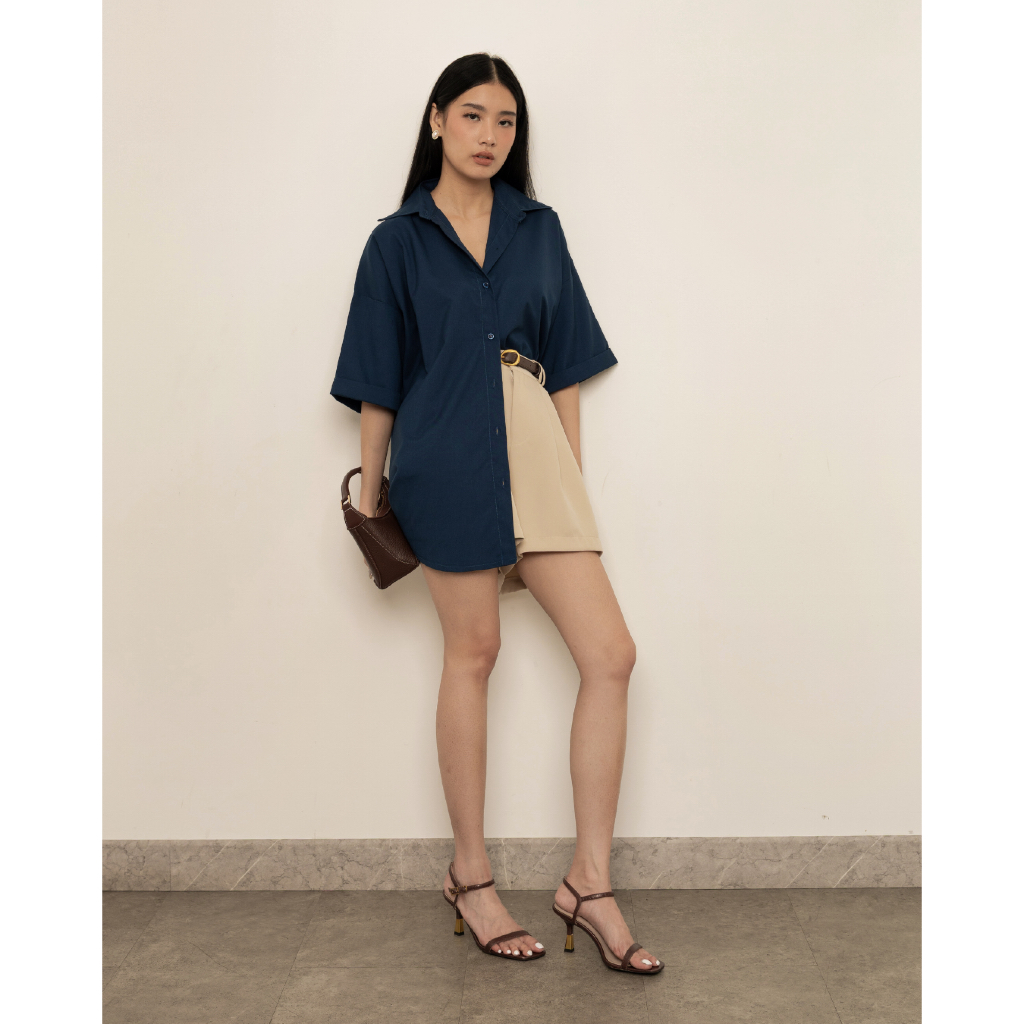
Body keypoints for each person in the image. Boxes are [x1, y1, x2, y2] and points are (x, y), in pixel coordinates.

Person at [330, 53, 662, 975]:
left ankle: (588, 882)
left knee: (611, 654)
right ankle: (470, 875)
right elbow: (377, 378)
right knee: (474, 654)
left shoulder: (538, 228)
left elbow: (567, 364)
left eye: (506, 121)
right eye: (472, 115)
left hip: (535, 452)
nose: (489, 135)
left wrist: (571, 478)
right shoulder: (396, 241)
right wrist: (372, 492)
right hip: (443, 456)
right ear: (437, 120)